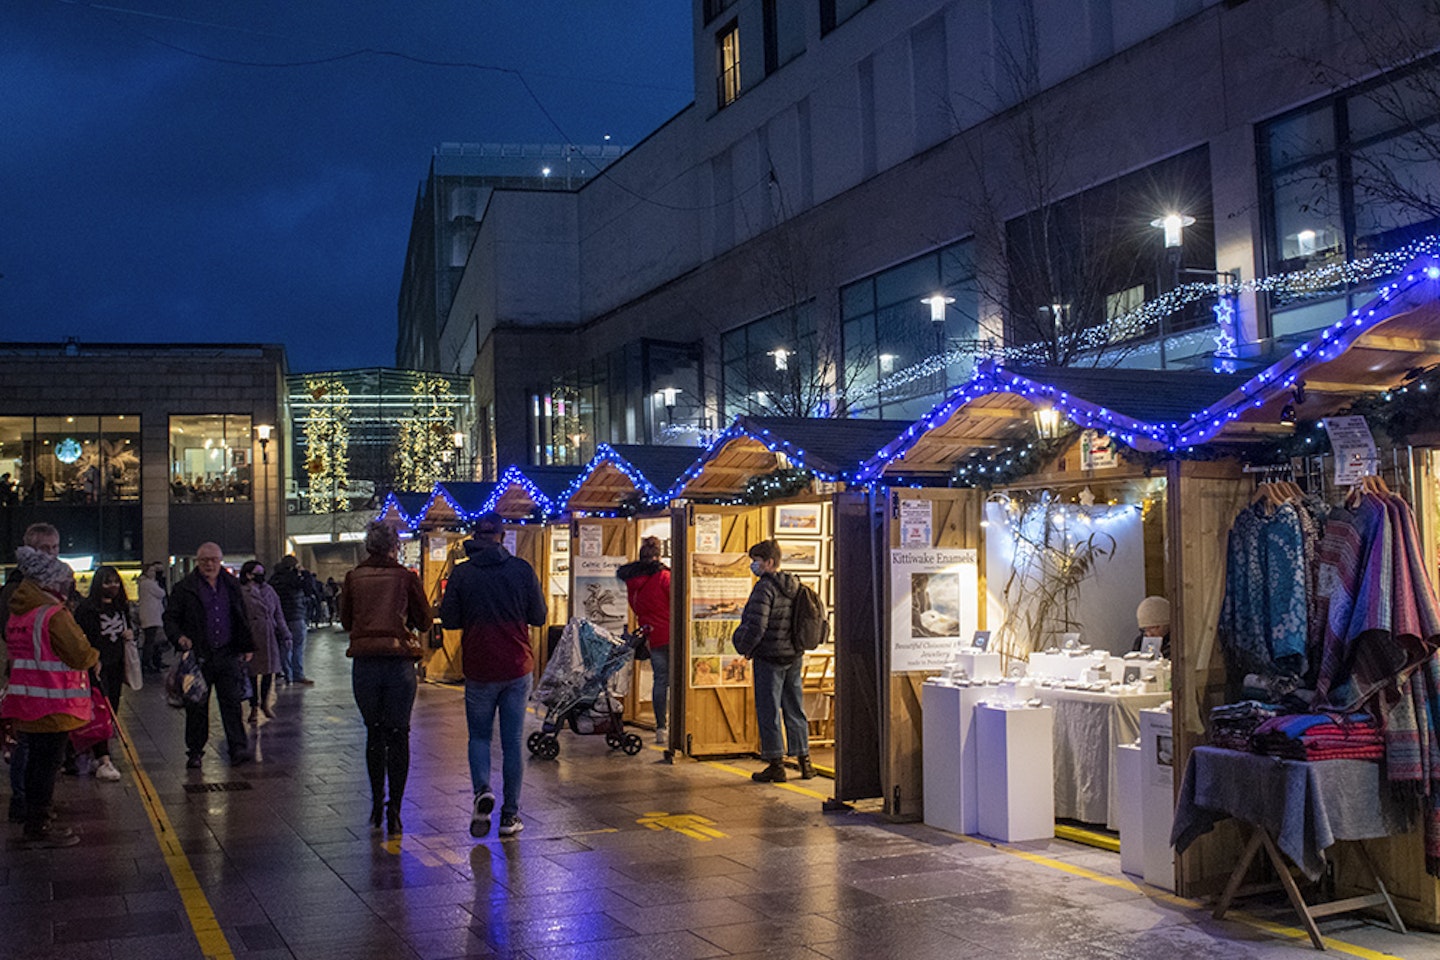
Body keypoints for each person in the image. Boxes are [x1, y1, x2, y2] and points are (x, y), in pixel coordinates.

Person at [440, 512, 546, 840]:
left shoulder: (462, 574)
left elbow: (449, 622)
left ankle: (482, 791)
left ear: (475, 536)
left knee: (480, 738)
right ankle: (509, 816)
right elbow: (539, 617)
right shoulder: (521, 569)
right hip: (516, 665)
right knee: (512, 741)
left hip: (479, 667)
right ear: (501, 536)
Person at [341, 521, 432, 837]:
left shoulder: (354, 578)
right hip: (398, 665)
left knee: (374, 733)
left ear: (368, 545)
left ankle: (377, 801)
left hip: (365, 663)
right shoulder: (406, 578)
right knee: (399, 734)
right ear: (394, 547)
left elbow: (344, 620)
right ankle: (395, 808)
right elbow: (424, 620)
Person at [2, 546, 98, 846]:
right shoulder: (54, 615)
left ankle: (34, 816)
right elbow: (79, 654)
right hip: (53, 702)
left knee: (34, 762)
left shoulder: (20, 612)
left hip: (26, 700)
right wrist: (93, 654)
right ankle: (38, 825)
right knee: (46, 764)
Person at [164, 542, 255, 768]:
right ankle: (195, 751)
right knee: (197, 706)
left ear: (220, 561)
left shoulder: (231, 585)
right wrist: (179, 638)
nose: (210, 564)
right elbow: (170, 618)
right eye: (205, 560)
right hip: (199, 656)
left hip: (227, 653)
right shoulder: (185, 587)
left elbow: (241, 616)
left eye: (214, 560)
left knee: (232, 703)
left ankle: (238, 747)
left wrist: (246, 646)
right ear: (198, 562)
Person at [731, 539, 815, 783]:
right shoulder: (796, 584)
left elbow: (757, 625)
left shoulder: (764, 588)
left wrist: (744, 647)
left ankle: (776, 763)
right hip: (794, 655)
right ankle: (805, 762)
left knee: (768, 710)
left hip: (769, 657)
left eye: (755, 561)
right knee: (795, 708)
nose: (753, 566)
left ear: (769, 562)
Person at [1, 523, 62, 824]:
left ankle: (33, 802)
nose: (51, 555)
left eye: (54, 548)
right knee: (27, 744)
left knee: (40, 748)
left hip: (45, 680)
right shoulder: (19, 591)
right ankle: (25, 801)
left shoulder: (50, 587)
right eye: (44, 549)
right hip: (25, 678)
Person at [73, 566, 132, 783]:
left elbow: (129, 627)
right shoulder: (87, 610)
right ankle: (102, 757)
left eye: (116, 582)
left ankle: (96, 752)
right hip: (95, 666)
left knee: (111, 708)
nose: (113, 586)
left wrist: (129, 634)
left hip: (116, 664)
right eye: (108, 582)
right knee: (99, 709)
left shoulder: (121, 607)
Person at [617, 537, 672, 745]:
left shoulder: (633, 582)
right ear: (658, 555)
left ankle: (660, 728)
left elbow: (636, 608)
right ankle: (678, 724)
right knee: (677, 682)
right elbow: (678, 601)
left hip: (652, 635)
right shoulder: (664, 577)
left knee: (660, 680)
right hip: (672, 634)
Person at [238, 561, 290, 724]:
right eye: (257, 572)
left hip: (268, 634)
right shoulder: (242, 592)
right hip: (252, 634)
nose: (261, 575)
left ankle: (265, 704)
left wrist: (286, 634)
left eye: (262, 571)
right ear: (248, 574)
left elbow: (278, 614)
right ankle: (254, 706)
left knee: (269, 671)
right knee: (252, 673)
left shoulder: (270, 591)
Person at [269, 556, 309, 685]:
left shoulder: (274, 579)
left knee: (283, 646)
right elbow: (309, 588)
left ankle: (285, 674)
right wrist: (304, 572)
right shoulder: (294, 577)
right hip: (296, 615)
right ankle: (297, 674)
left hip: (279, 617)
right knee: (297, 646)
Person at [137, 563, 168, 674]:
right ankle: (148, 663)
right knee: (150, 640)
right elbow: (161, 593)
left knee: (151, 640)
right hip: (151, 615)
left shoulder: (143, 583)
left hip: (149, 615)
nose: (153, 573)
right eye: (151, 571)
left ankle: (151, 662)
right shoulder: (148, 584)